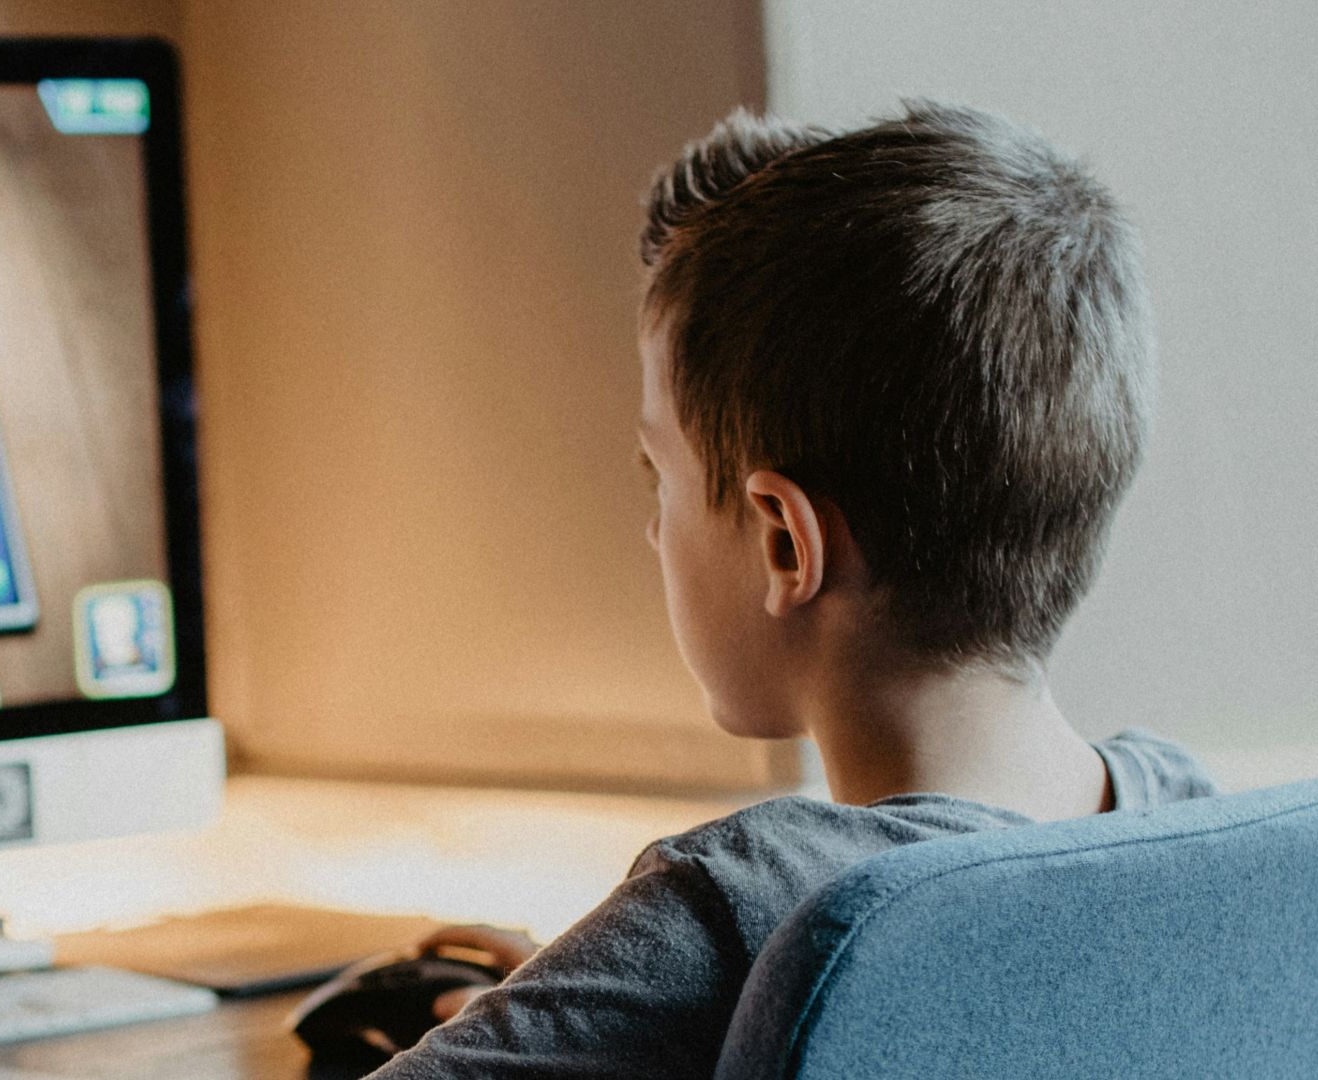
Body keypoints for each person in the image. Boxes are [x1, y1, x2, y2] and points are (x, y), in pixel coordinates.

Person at [364, 100, 1218, 1079]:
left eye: (661, 474)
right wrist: (574, 1003)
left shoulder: (736, 910)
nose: (652, 528)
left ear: (784, 542)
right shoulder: (1189, 818)